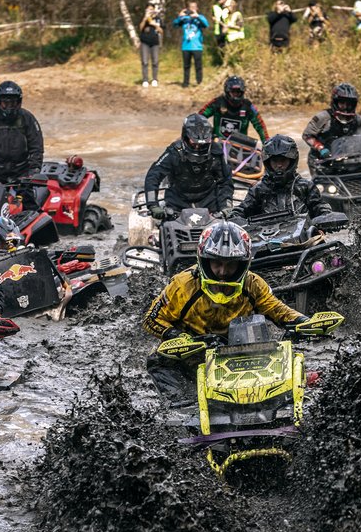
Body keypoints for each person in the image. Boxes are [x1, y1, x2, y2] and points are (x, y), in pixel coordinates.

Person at [142, 221, 310, 405]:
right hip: (192, 353)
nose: (223, 272)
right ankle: (182, 406)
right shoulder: (183, 285)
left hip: (241, 353)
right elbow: (151, 319)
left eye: (231, 265)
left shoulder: (253, 284)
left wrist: (303, 322)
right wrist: (176, 336)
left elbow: (277, 310)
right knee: (158, 361)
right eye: (217, 263)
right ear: (205, 261)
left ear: (242, 264)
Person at [143, 114, 234, 217]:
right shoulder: (174, 152)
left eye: (202, 145)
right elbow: (153, 175)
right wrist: (153, 205)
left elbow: (225, 181)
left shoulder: (216, 151)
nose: (197, 148)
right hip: (177, 204)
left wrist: (226, 206)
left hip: (209, 203)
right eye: (194, 144)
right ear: (185, 137)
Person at [234, 135, 331, 220]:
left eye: (283, 160)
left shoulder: (306, 186)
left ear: (292, 161)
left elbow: (320, 207)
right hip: (266, 234)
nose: (279, 165)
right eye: (275, 161)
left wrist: (327, 216)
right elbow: (241, 210)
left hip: (304, 234)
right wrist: (233, 217)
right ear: (268, 162)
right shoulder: (258, 189)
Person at [301, 83, 361, 171]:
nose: (345, 106)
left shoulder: (357, 119)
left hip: (343, 159)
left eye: (349, 103)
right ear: (335, 102)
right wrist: (320, 148)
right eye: (342, 103)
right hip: (320, 161)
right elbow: (307, 135)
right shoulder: (323, 117)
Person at [198, 76, 269, 141]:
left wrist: (266, 142)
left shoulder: (248, 106)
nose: (235, 95)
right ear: (227, 92)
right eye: (233, 92)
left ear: (242, 92)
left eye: (238, 92)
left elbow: (259, 125)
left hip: (239, 146)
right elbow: (200, 116)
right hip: (218, 144)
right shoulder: (217, 102)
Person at [173, 2, 209, 88]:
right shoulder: (184, 19)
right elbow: (174, 24)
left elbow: (206, 24)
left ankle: (199, 82)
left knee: (198, 65)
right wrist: (180, 16)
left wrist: (197, 16)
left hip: (197, 46)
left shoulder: (200, 17)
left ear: (197, 8)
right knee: (186, 66)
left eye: (194, 7)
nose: (192, 9)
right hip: (186, 46)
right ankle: (186, 83)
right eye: (191, 7)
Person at [138, 4, 164, 88]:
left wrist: (155, 25)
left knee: (155, 61)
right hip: (144, 42)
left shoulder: (158, 19)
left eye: (151, 9)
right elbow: (140, 28)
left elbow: (161, 31)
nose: (150, 11)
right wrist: (145, 19)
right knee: (145, 62)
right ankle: (145, 80)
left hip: (155, 43)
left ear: (154, 10)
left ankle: (154, 79)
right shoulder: (143, 18)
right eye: (148, 10)